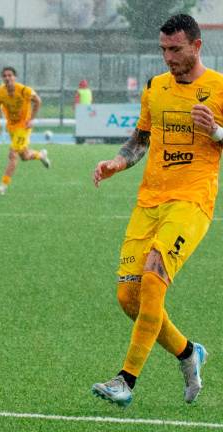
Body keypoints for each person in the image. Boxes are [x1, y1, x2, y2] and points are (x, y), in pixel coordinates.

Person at [91, 14, 219, 407]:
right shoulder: (155, 88)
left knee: (152, 278)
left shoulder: (218, 88)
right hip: (149, 201)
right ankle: (187, 353)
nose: (168, 57)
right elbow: (141, 137)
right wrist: (118, 161)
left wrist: (216, 131)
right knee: (129, 298)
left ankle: (125, 380)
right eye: (163, 49)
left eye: (175, 49)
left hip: (192, 200)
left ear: (196, 46)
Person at [0, 66, 51, 195]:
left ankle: (3, 185)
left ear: (15, 77)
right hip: (11, 127)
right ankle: (41, 155)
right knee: (24, 156)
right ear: (2, 78)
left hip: (23, 126)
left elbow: (38, 101)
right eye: (5, 76)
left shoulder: (24, 90)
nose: (7, 78)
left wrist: (31, 119)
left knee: (12, 154)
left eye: (10, 75)